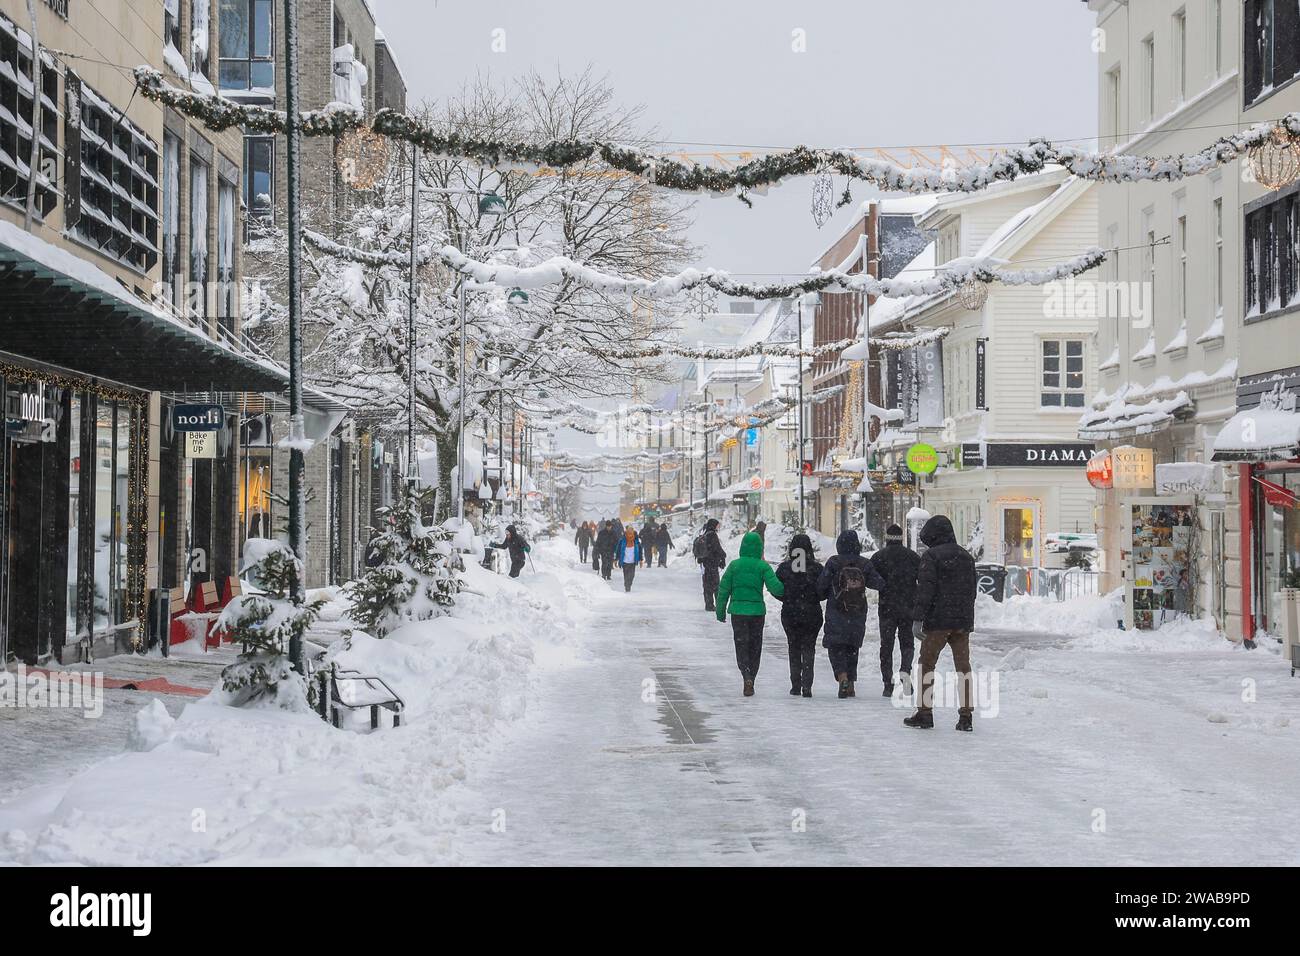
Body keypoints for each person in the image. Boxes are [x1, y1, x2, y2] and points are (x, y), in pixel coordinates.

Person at [904, 515, 978, 732]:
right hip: (962, 623)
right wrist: (965, 615)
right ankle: (966, 717)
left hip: (937, 621)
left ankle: (925, 713)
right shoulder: (966, 556)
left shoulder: (931, 556)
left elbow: (926, 590)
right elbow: (972, 590)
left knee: (926, 666)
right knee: (963, 668)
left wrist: (918, 618)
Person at [816, 529, 885, 699]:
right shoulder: (864, 564)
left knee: (836, 646)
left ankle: (842, 678)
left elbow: (821, 586)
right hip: (857, 612)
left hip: (836, 611)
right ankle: (851, 684)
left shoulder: (833, 562)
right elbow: (879, 583)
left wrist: (825, 594)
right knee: (852, 648)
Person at [716, 531, 784, 697]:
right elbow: (777, 588)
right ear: (759, 548)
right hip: (756, 613)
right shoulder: (762, 566)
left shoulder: (734, 566)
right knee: (755, 646)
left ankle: (745, 674)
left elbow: (723, 589)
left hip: (738, 613)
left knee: (741, 645)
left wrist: (720, 610)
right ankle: (751, 676)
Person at [869, 523, 921, 697]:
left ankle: (887, 683)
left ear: (887, 538)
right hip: (908, 607)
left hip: (887, 608)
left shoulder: (878, 557)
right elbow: (922, 579)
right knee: (907, 644)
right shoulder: (913, 557)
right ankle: (905, 672)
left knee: (887, 645)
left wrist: (883, 586)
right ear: (902, 538)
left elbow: (869, 578)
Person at [775, 533, 824, 697]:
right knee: (809, 647)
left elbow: (777, 589)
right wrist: (814, 597)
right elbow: (824, 590)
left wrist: (787, 598)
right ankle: (807, 685)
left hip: (790, 613)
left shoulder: (784, 568)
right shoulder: (817, 569)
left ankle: (795, 684)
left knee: (793, 647)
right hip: (812, 612)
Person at [694, 517, 727, 611]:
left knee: (707, 585)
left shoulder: (705, 534)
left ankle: (709, 604)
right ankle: (717, 605)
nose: (718, 526)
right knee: (716, 585)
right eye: (717, 525)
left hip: (706, 563)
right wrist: (723, 556)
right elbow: (717, 548)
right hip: (712, 563)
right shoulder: (712, 535)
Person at [614, 527, 642, 592]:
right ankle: (627, 587)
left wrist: (641, 560)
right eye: (628, 533)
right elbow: (618, 550)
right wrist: (616, 559)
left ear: (633, 533)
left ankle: (628, 585)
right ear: (626, 533)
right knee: (626, 576)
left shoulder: (636, 541)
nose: (629, 534)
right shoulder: (622, 541)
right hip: (625, 562)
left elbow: (640, 551)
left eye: (631, 533)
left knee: (632, 576)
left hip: (633, 562)